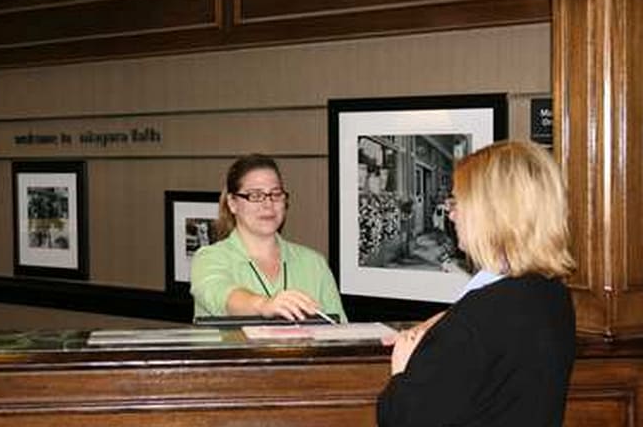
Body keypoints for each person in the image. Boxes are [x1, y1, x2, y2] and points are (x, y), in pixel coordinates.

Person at [377, 141, 576, 427]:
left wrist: (401, 371)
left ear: (492, 213)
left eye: (457, 202)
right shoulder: (553, 294)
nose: (451, 213)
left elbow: (403, 419)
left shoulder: (480, 315)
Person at [190, 153, 347, 322]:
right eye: (255, 196)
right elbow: (222, 296)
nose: (268, 204)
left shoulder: (314, 263)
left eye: (275, 194)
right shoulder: (208, 258)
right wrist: (264, 305)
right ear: (232, 203)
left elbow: (341, 332)